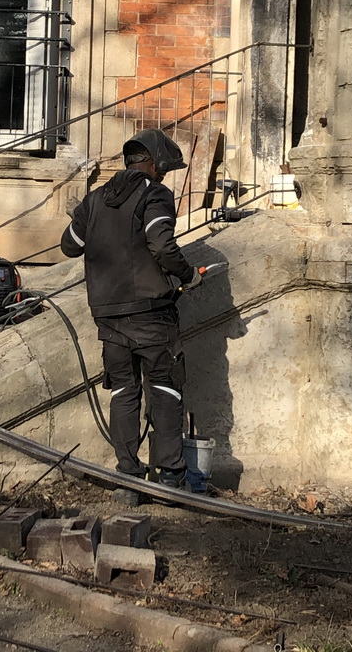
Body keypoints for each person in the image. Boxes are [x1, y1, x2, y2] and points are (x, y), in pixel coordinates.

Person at [60, 128, 202, 497]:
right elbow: (161, 243)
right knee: (165, 389)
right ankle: (170, 476)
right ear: (152, 164)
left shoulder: (94, 200)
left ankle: (128, 475)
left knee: (123, 391)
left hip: (108, 316)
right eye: (164, 170)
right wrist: (188, 275)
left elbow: (69, 246)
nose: (164, 176)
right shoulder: (155, 193)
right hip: (152, 314)